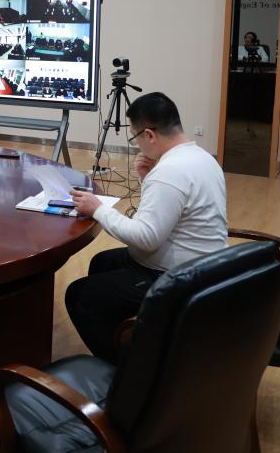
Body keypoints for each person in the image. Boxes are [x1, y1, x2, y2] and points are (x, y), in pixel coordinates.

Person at [65, 92, 227, 363]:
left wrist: (98, 209)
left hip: (178, 277)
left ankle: (127, 372)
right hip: (206, 267)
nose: (137, 145)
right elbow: (168, 212)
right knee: (102, 263)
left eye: (135, 137)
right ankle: (137, 337)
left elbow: (146, 238)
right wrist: (146, 180)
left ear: (149, 135)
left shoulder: (169, 172)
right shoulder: (201, 157)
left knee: (79, 295)